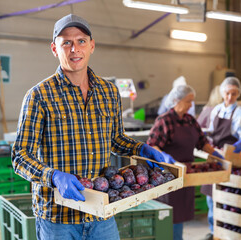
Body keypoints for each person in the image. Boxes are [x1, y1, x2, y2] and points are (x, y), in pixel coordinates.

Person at [11, 14, 165, 240]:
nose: (75, 49)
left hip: (101, 214)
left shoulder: (108, 91)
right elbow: (20, 157)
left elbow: (114, 139)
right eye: (66, 43)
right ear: (55, 49)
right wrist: (53, 176)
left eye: (81, 41)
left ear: (92, 46)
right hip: (58, 219)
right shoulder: (39, 96)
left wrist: (140, 149)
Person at [146, 85, 224, 240]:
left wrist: (216, 154)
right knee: (169, 214)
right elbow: (152, 145)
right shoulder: (164, 121)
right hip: (168, 174)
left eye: (192, 102)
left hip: (186, 174)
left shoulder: (190, 120)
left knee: (180, 215)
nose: (190, 105)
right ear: (177, 100)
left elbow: (202, 142)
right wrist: (165, 157)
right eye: (188, 101)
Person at [201, 77, 241, 240]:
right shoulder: (216, 109)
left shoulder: (240, 113)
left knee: (226, 195)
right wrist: (203, 135)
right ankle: (214, 230)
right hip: (214, 156)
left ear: (238, 94)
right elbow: (211, 130)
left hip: (229, 158)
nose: (230, 97)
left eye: (234, 94)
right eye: (227, 93)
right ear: (222, 92)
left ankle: (228, 230)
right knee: (211, 196)